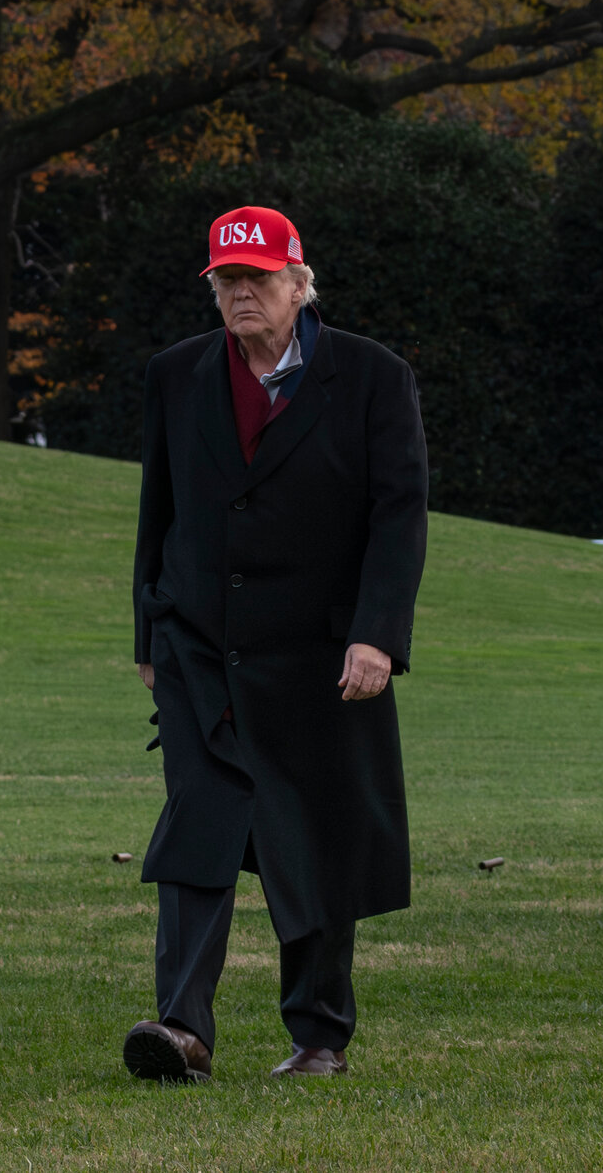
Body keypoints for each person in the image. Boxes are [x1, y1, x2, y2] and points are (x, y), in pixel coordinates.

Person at [122, 205, 428, 1082]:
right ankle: (181, 1030)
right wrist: (148, 630)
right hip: (198, 649)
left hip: (322, 656)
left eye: (257, 278)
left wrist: (377, 637)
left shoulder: (373, 377)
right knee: (199, 823)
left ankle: (320, 1038)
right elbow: (161, 509)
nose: (240, 293)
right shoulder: (176, 374)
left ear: (300, 284)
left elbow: (398, 517)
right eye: (226, 280)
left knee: (315, 833)